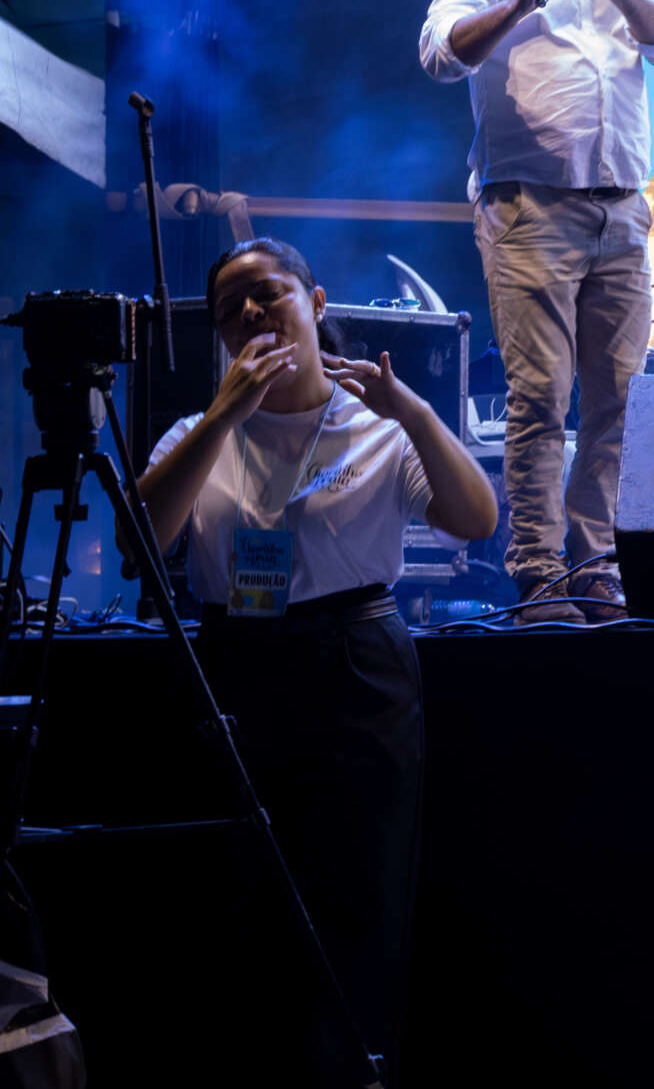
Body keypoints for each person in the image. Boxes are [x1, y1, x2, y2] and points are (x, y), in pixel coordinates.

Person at [139, 237, 497, 1083]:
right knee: (245, 896)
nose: (252, 314)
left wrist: (411, 409)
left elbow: (476, 520)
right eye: (231, 308)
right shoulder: (197, 430)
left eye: (269, 294)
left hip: (356, 662)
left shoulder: (378, 426)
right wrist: (226, 413)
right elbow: (141, 536)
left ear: (317, 301)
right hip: (237, 662)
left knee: (361, 897)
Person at [419, 0, 654, 622]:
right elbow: (437, 54)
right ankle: (538, 570)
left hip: (621, 207)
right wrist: (514, 7)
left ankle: (597, 562)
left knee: (619, 397)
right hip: (529, 207)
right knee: (542, 398)